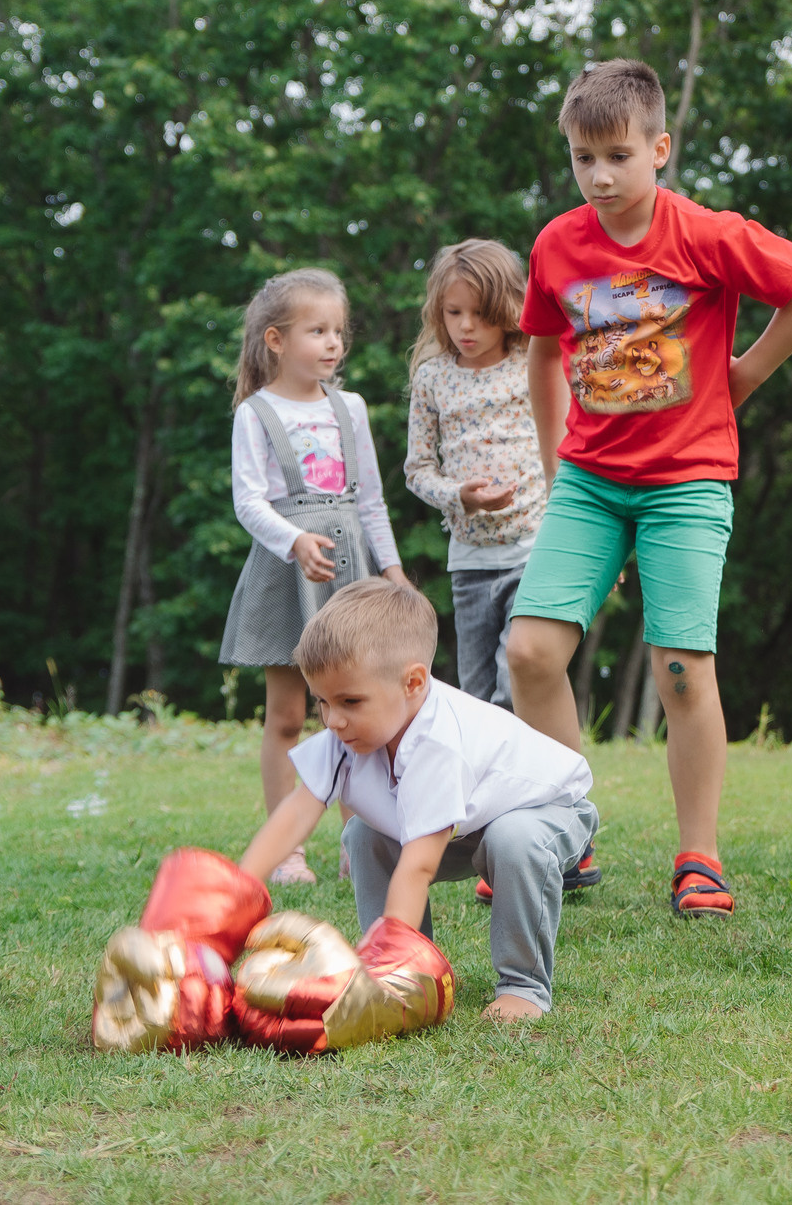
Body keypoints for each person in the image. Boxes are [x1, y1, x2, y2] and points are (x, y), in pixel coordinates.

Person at [505, 59, 792, 919]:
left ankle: (700, 856)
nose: (600, 176)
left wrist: (742, 377)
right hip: (588, 481)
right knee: (531, 653)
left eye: (618, 154)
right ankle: (564, 839)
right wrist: (554, 468)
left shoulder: (703, 233)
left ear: (661, 147)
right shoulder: (556, 244)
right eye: (584, 158)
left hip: (687, 481)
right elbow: (543, 352)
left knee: (683, 669)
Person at [235, 578, 598, 1024]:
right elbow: (294, 814)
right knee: (363, 832)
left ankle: (521, 984)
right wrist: (236, 889)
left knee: (513, 840)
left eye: (350, 700)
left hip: (547, 812)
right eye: (322, 702)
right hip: (470, 822)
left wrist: (393, 969)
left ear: (413, 683)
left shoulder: (440, 743)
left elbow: (419, 866)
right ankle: (407, 967)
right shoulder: (347, 733)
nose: (334, 720)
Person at [222, 268, 409, 887]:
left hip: (352, 571)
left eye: (338, 332)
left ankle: (365, 841)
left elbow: (370, 501)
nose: (333, 344)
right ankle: (287, 849)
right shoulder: (256, 412)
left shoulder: (349, 408)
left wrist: (393, 570)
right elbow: (249, 502)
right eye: (317, 331)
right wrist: (294, 540)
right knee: (287, 714)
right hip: (288, 573)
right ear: (275, 340)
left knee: (363, 709)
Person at [403, 239, 546, 710]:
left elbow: (570, 448)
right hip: (469, 562)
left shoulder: (535, 364)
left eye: (480, 313)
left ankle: (528, 781)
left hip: (533, 551)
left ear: (506, 307)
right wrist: (458, 495)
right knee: (478, 695)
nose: (466, 326)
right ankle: (479, 783)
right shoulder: (432, 378)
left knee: (514, 682)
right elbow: (418, 470)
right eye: (453, 312)